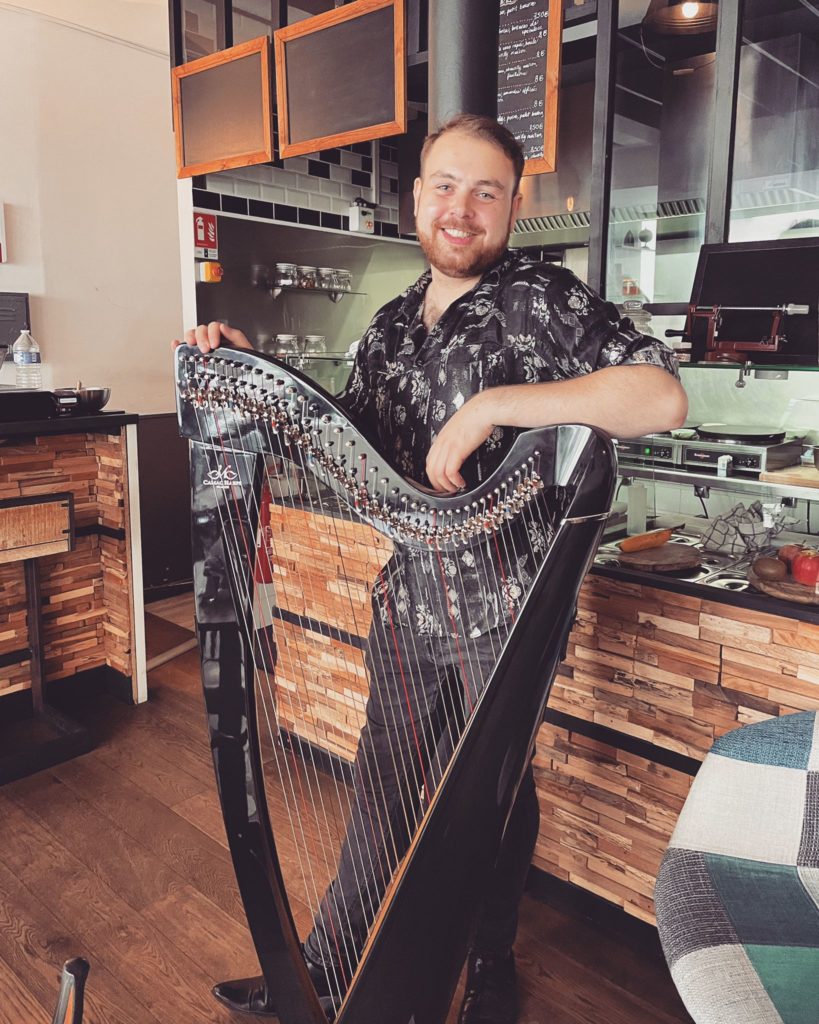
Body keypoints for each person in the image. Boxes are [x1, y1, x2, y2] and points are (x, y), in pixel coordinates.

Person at [176, 114, 688, 1023]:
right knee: (380, 798)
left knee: (492, 800)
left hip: (508, 615)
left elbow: (660, 396)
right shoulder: (386, 331)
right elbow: (355, 446)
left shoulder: (544, 301)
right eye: (445, 187)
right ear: (416, 197)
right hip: (410, 609)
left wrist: (495, 404)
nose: (462, 210)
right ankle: (326, 967)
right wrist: (256, 374)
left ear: (511, 205)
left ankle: (490, 958)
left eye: (486, 191)